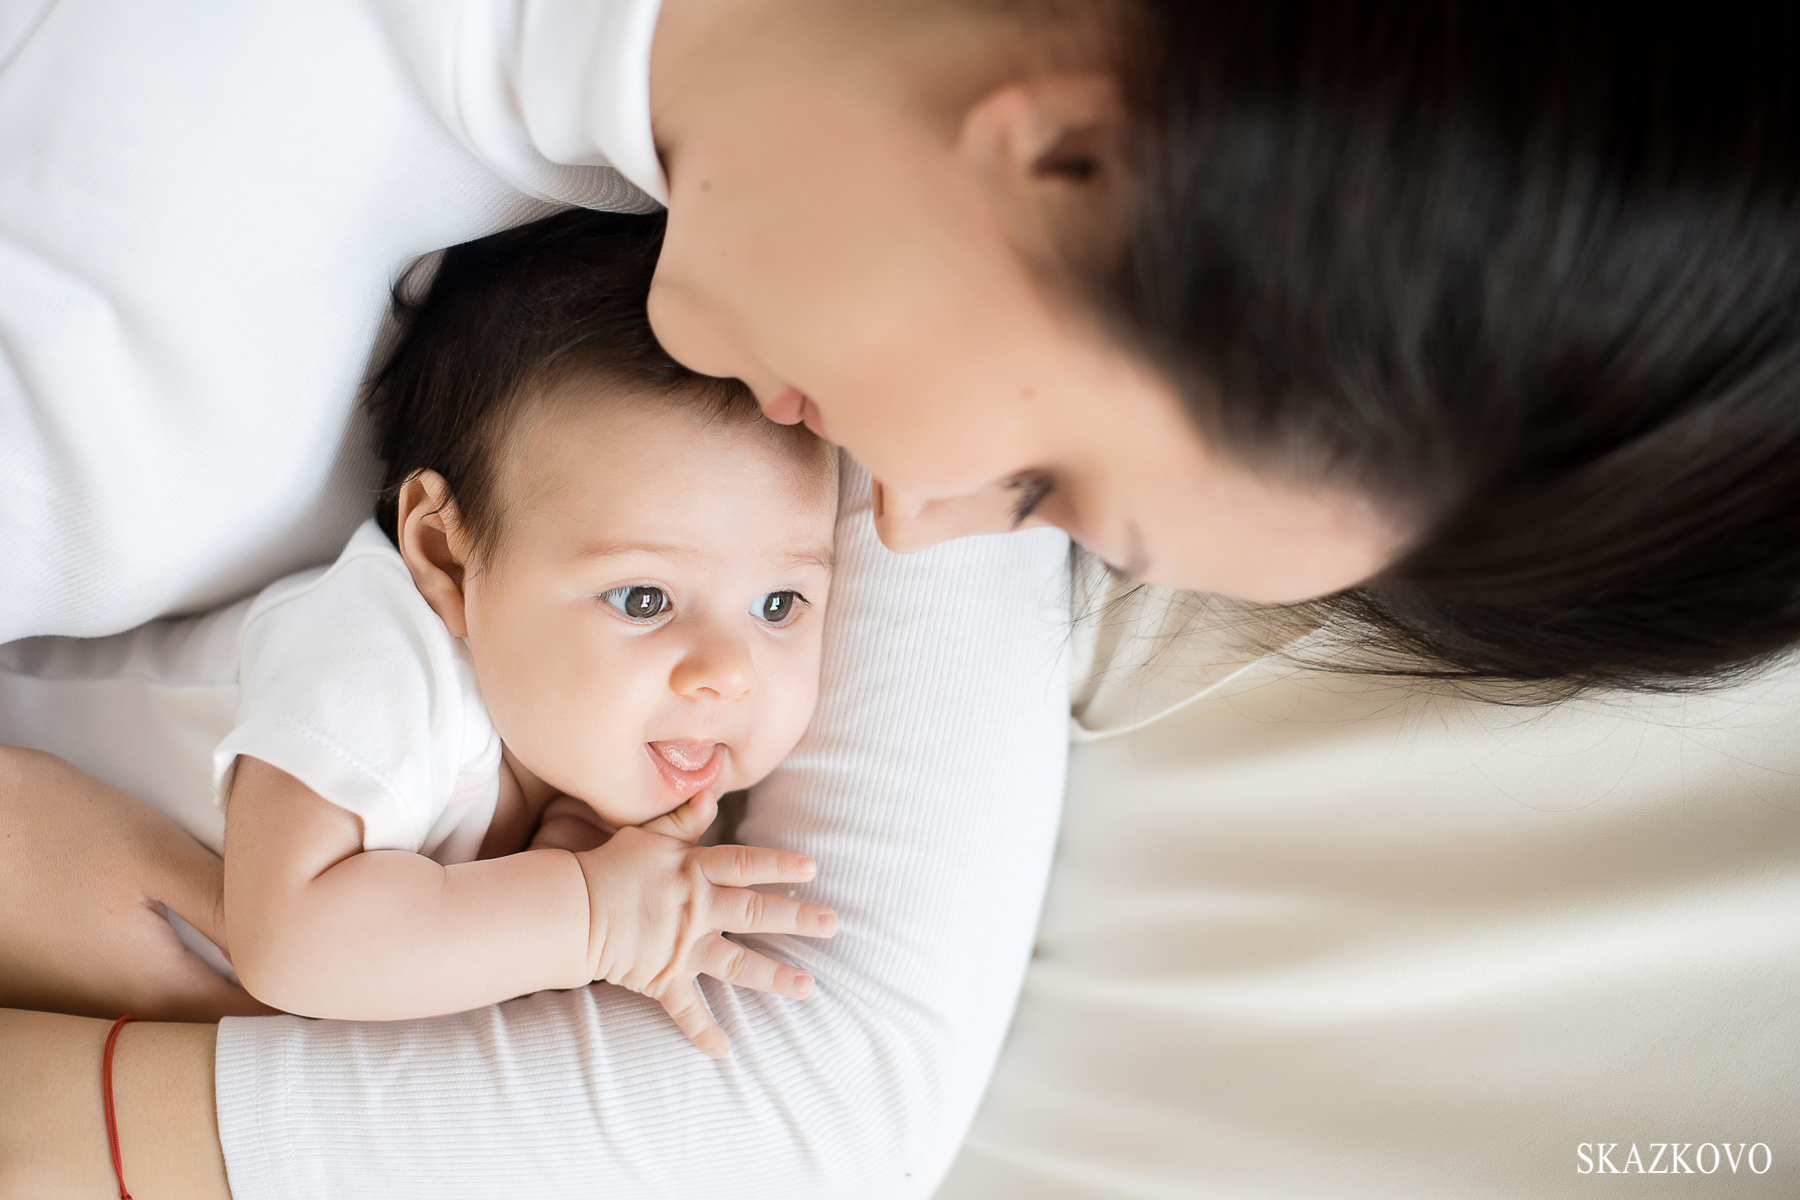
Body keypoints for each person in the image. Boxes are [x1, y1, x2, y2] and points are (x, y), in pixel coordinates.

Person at [3, 0, 1799, 1196]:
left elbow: (809, 1099)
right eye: (1046, 494)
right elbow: (800, 1109)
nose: (923, 536)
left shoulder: (731, 188)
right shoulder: (103, 351)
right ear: (1069, 148)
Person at [2, 210, 844, 1052]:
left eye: (779, 606)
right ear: (446, 559)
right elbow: (290, 943)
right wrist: (589, 913)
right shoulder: (381, 658)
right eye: (643, 600)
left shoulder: (574, 740)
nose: (726, 673)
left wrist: (573, 853)